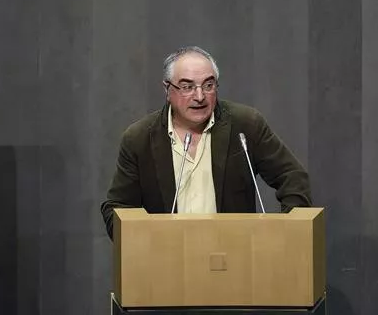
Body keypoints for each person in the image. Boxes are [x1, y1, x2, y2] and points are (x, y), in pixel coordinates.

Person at [101, 46, 312, 239]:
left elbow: (292, 177)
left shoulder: (245, 125)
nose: (200, 96)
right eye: (187, 86)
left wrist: (287, 233)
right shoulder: (139, 139)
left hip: (237, 260)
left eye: (208, 85)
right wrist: (144, 245)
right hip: (168, 263)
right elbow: (118, 208)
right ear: (167, 90)